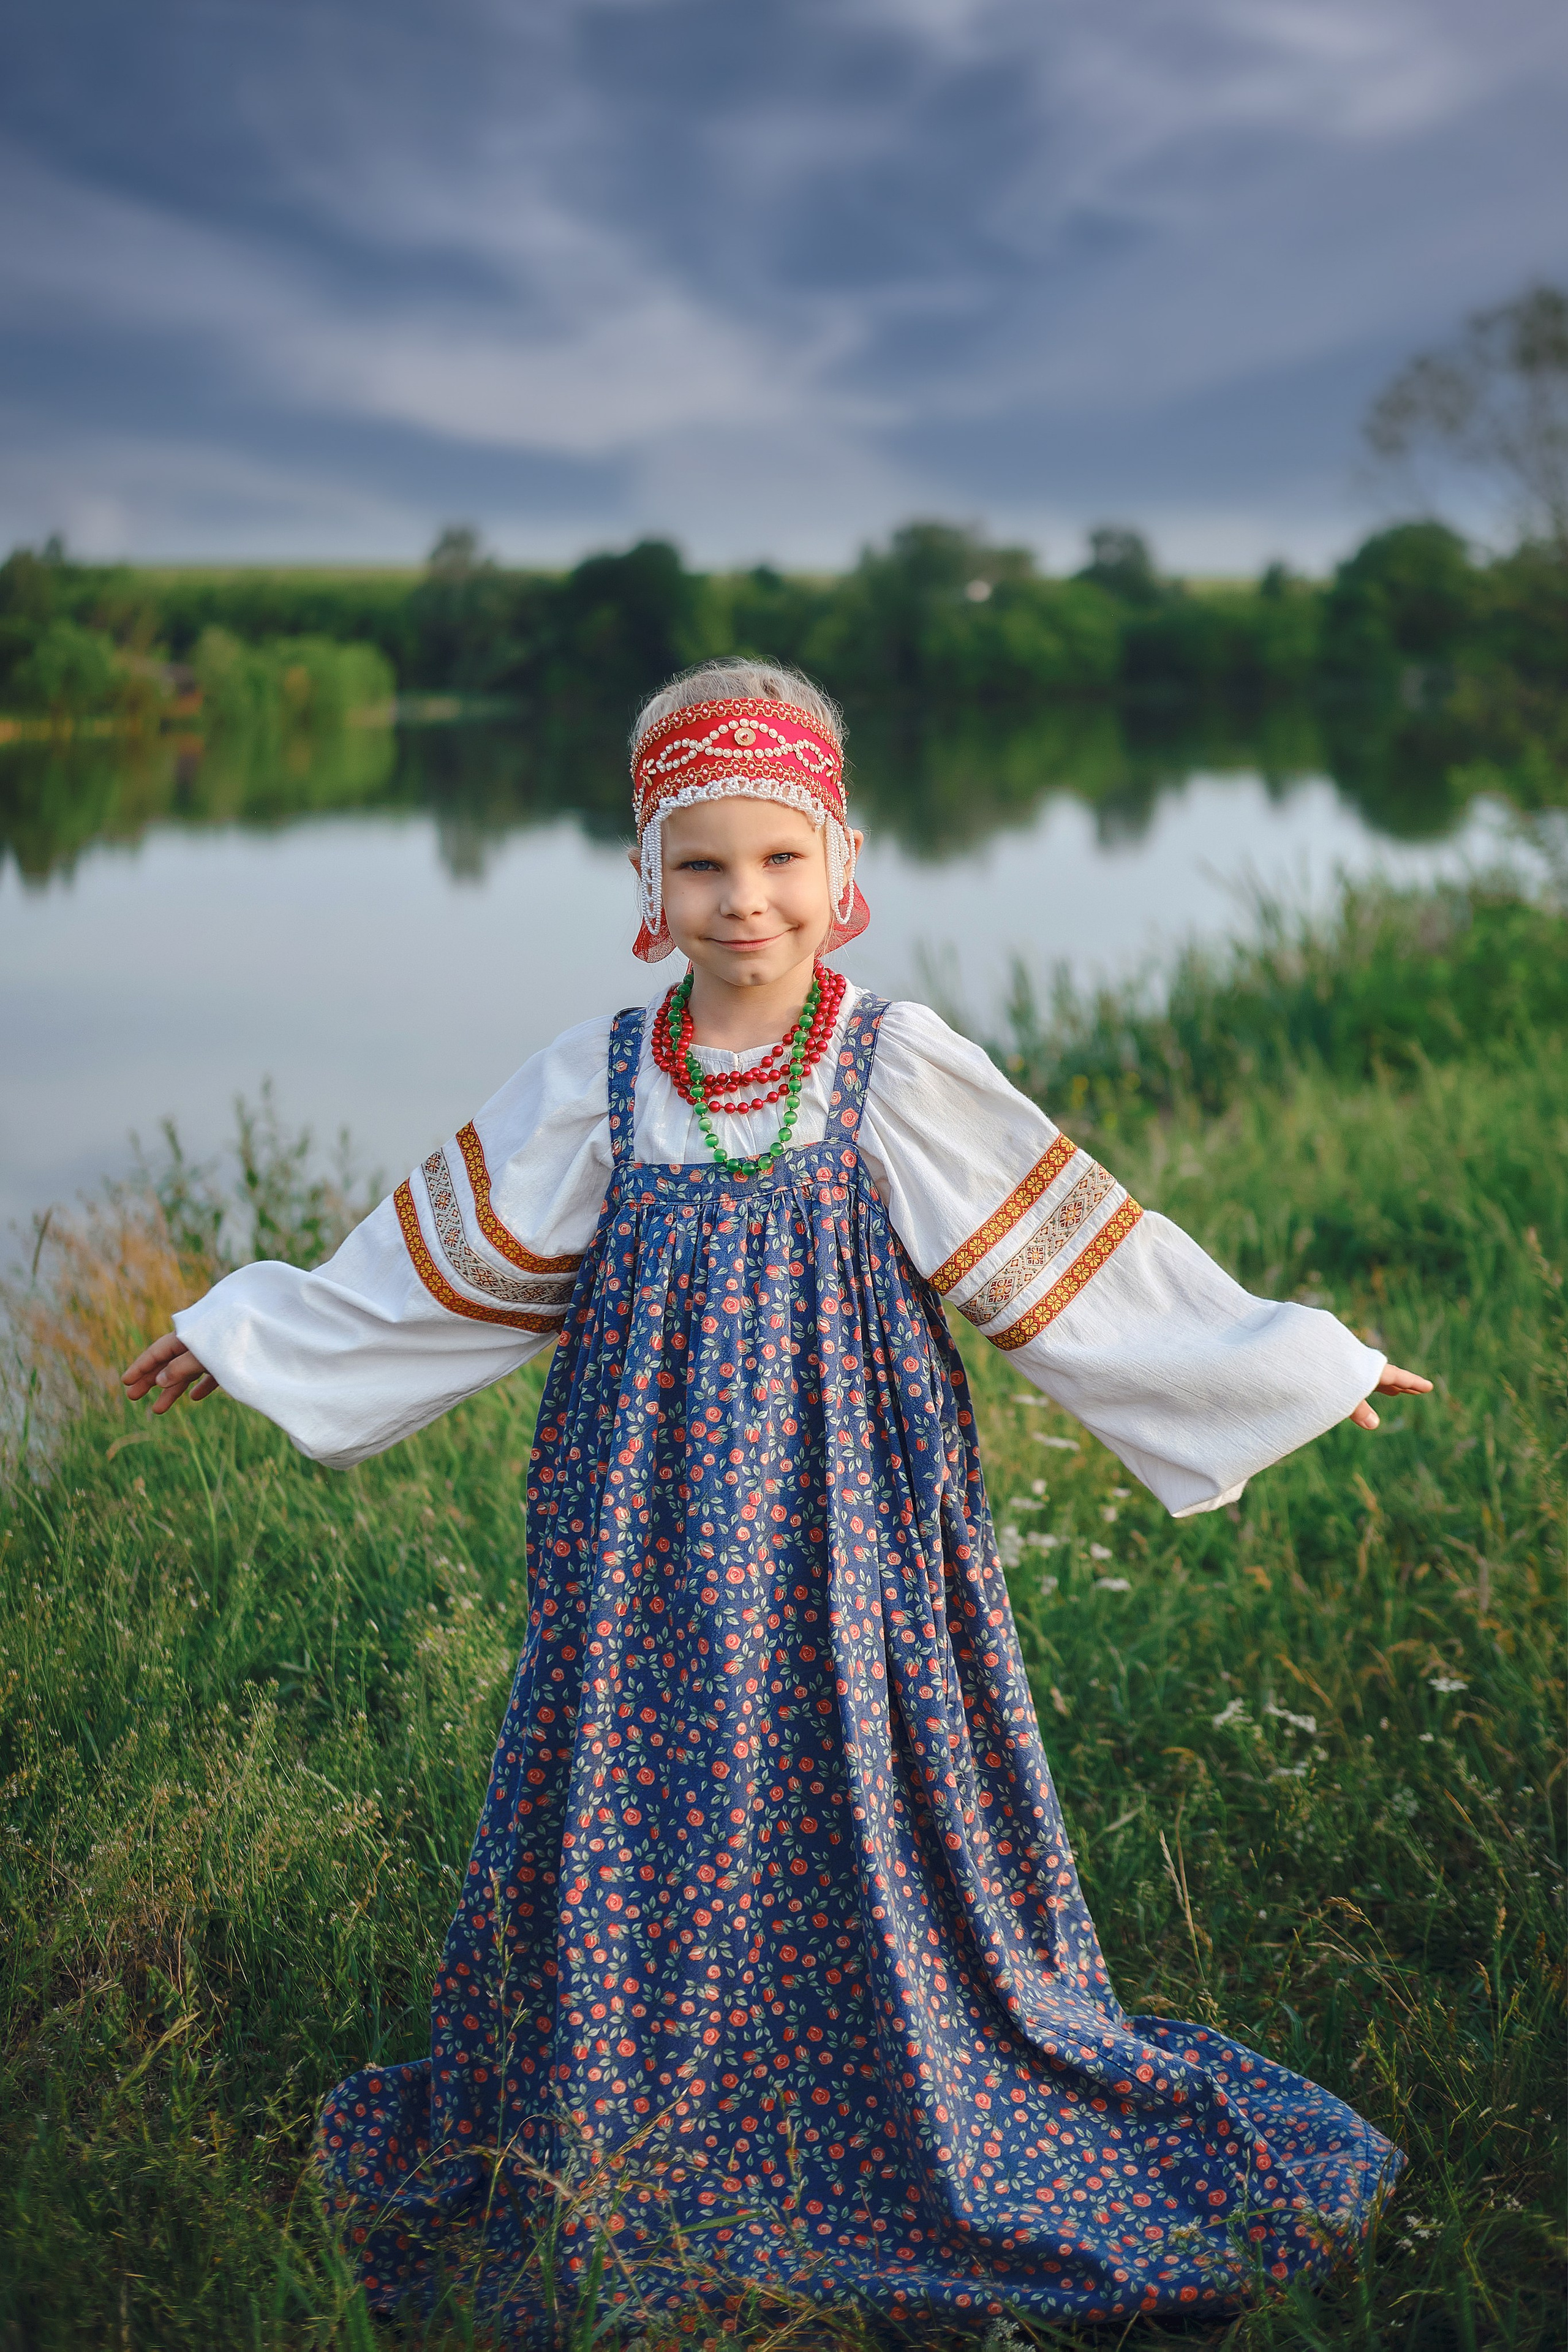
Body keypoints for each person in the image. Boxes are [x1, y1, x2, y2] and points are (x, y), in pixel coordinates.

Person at [123, 660, 1428, 2333]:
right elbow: (438, 1272)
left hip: (852, 1523)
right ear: (646, 886)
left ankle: (912, 2069)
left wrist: (1298, 1362)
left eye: (780, 862)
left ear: (843, 858)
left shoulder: (891, 1063)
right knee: (645, 1766)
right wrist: (250, 1335)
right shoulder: (603, 1078)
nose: (747, 903)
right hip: (644, 1532)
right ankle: (629, 2101)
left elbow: (1067, 1262)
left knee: (858, 1764)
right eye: (703, 867)